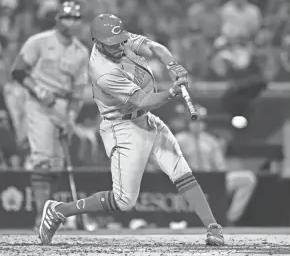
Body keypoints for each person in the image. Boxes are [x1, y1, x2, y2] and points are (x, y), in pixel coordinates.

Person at [38, 13, 224, 246]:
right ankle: (59, 210)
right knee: (124, 201)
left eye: (120, 41)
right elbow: (143, 100)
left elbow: (154, 47)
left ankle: (212, 227)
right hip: (123, 127)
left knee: (181, 171)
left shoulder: (119, 39)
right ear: (97, 41)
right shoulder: (103, 71)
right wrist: (172, 92)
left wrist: (172, 64)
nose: (119, 46)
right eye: (112, 44)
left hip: (146, 120)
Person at [10, 1, 89, 230]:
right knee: (42, 159)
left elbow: (77, 94)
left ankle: (48, 216)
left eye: (74, 18)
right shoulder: (39, 42)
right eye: (66, 17)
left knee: (56, 164)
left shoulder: (81, 52)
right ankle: (40, 218)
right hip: (39, 103)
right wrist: (37, 89)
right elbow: (18, 70)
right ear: (57, 19)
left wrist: (71, 120)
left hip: (63, 106)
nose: (70, 22)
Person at [175, 105, 257, 225]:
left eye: (200, 121)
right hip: (189, 183)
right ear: (188, 123)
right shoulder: (178, 139)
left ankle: (229, 219)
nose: (197, 124)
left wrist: (219, 178)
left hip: (212, 182)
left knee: (248, 178)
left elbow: (220, 167)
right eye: (194, 121)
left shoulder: (211, 141)